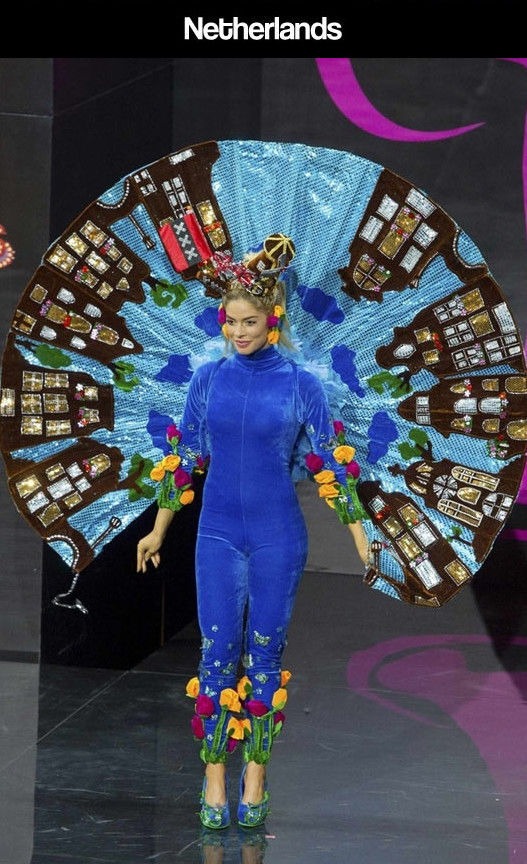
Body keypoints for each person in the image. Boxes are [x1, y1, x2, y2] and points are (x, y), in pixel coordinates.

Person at [136, 256, 370, 830]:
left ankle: (255, 776)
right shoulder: (207, 379)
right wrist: (160, 527)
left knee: (264, 658)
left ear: (273, 319)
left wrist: (363, 543)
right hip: (215, 535)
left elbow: (333, 470)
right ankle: (214, 776)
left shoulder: (302, 385)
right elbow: (183, 458)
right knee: (215, 656)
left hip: (278, 539)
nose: (237, 332)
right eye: (229, 321)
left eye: (249, 322)